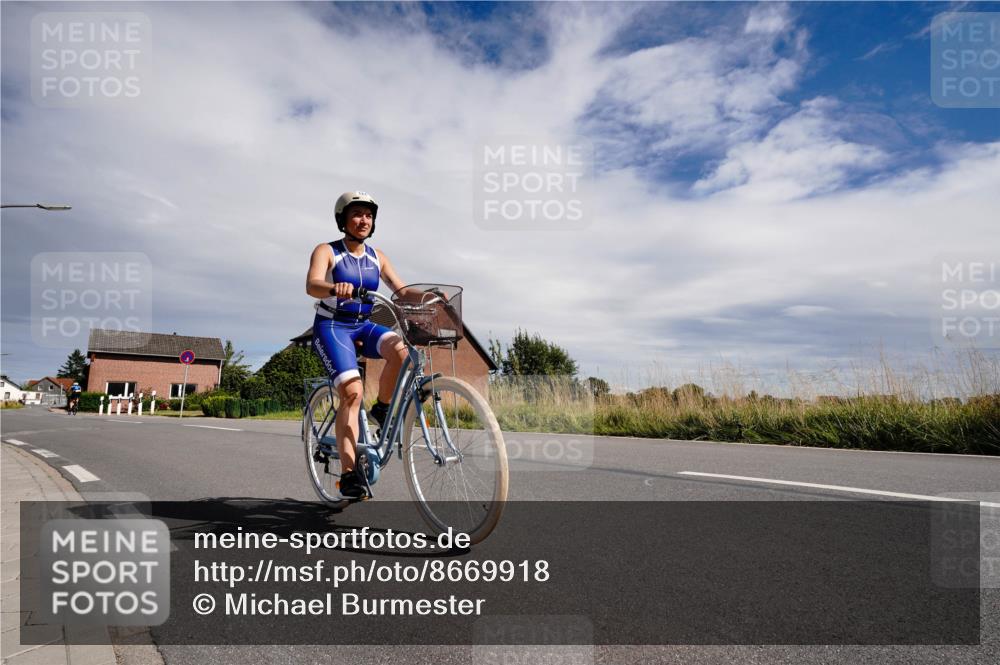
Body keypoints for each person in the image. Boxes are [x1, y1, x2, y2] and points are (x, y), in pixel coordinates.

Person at [305, 191, 409, 498]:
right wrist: (333, 286)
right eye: (357, 214)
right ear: (343, 219)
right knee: (352, 392)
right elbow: (312, 284)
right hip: (333, 326)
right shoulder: (327, 250)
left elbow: (400, 290)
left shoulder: (379, 257)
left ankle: (382, 409)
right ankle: (349, 475)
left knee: (400, 352)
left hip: (363, 324)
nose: (364, 220)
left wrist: (429, 298)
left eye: (369, 215)